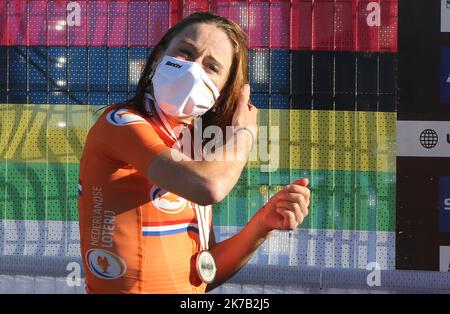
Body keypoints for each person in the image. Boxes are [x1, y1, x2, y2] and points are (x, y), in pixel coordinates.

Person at [78, 12, 310, 294]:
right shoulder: (121, 123)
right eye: (185, 52)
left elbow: (204, 272)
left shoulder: (194, 147)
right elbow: (209, 187)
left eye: (211, 66)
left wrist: (261, 225)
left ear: (223, 93)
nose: (193, 70)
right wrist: (245, 135)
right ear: (157, 57)